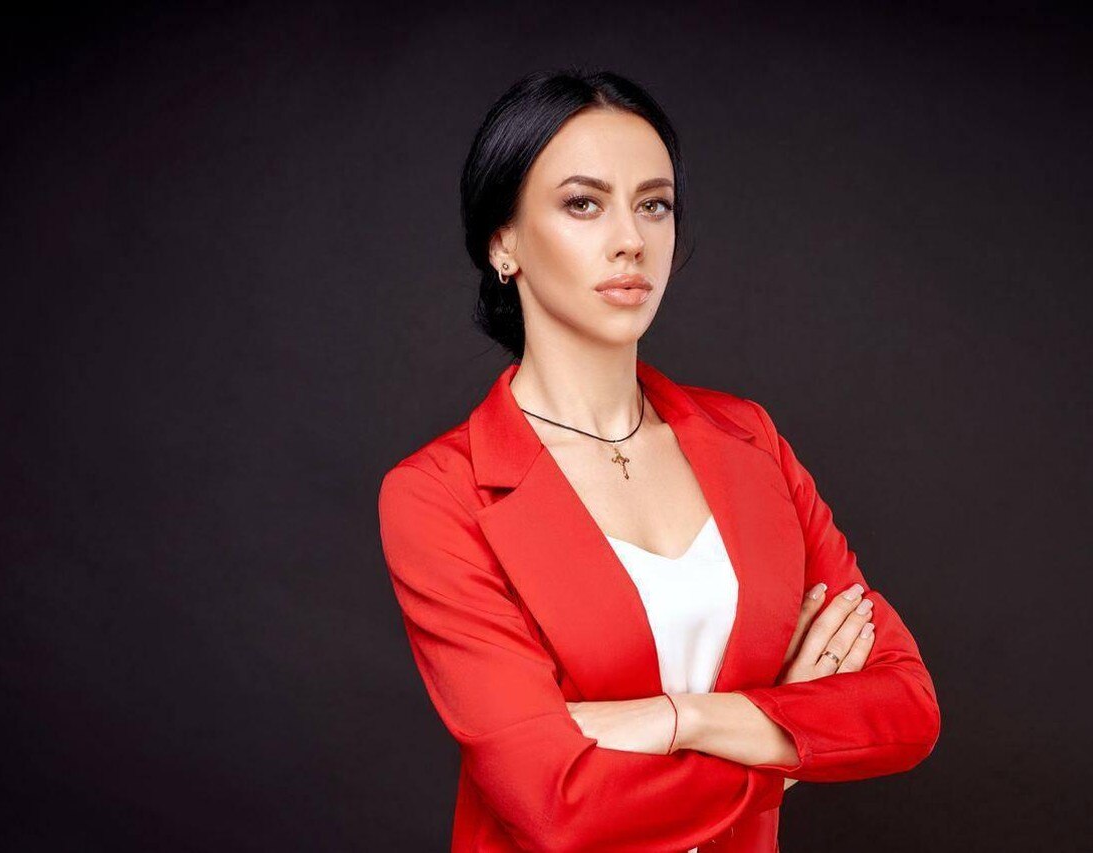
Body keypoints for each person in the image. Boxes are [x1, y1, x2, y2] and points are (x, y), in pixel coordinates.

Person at [376, 68, 940, 853]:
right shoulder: (439, 494)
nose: (632, 239)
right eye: (584, 203)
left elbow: (906, 705)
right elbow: (557, 807)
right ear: (503, 242)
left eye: (654, 204)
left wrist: (684, 718)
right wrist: (789, 737)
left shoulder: (749, 438)